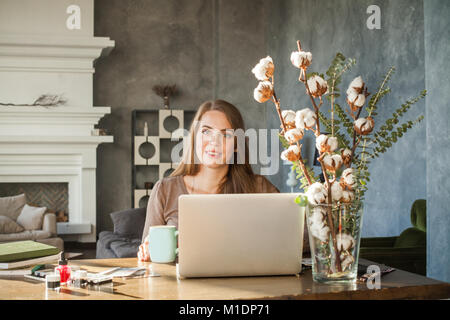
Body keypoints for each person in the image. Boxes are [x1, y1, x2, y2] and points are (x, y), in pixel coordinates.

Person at [138, 99, 308, 261]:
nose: (214, 142)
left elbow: (304, 238)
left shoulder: (258, 187)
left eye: (226, 135)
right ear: (194, 137)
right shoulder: (165, 190)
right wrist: (147, 252)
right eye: (206, 131)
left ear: (236, 145)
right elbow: (150, 252)